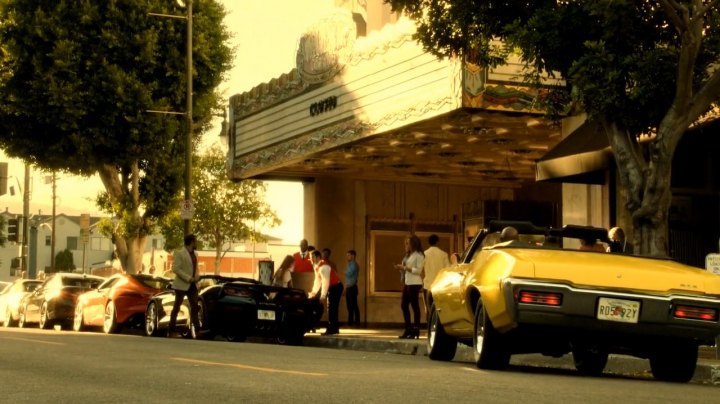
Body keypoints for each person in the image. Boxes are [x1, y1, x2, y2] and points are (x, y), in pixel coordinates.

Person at [168, 234, 200, 338]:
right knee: (177, 307)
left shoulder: (196, 254)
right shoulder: (180, 253)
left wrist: (196, 278)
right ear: (191, 242)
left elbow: (196, 268)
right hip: (182, 285)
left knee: (195, 307)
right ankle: (171, 330)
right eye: (195, 241)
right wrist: (188, 278)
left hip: (193, 285)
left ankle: (198, 330)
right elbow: (176, 268)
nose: (196, 243)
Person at [394, 234, 425, 339]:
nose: (406, 245)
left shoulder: (419, 255)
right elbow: (405, 268)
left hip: (415, 283)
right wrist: (401, 268)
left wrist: (405, 268)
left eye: (408, 243)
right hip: (407, 282)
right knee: (404, 305)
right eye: (405, 243)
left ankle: (416, 329)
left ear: (413, 244)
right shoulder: (408, 255)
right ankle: (408, 329)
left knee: (415, 306)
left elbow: (418, 271)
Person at [309, 249, 344, 335]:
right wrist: (313, 292)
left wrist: (322, 296)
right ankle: (335, 328)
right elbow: (317, 280)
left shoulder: (324, 267)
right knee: (332, 308)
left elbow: (325, 282)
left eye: (312, 257)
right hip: (332, 287)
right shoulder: (316, 266)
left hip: (336, 287)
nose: (311, 259)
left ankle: (332, 329)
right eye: (310, 257)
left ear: (318, 257)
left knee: (331, 308)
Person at [422, 234, 450, 317]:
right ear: (437, 242)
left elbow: (420, 268)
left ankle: (429, 325)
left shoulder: (424, 254)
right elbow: (447, 270)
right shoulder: (444, 254)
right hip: (439, 285)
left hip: (427, 285)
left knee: (428, 307)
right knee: (439, 308)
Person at [344, 249, 361, 327]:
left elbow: (348, 274)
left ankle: (357, 322)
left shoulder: (354, 265)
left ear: (353, 256)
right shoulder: (349, 264)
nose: (347, 257)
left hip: (352, 288)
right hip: (348, 287)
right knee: (349, 306)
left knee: (353, 305)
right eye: (347, 255)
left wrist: (341, 272)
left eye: (348, 255)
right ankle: (350, 322)